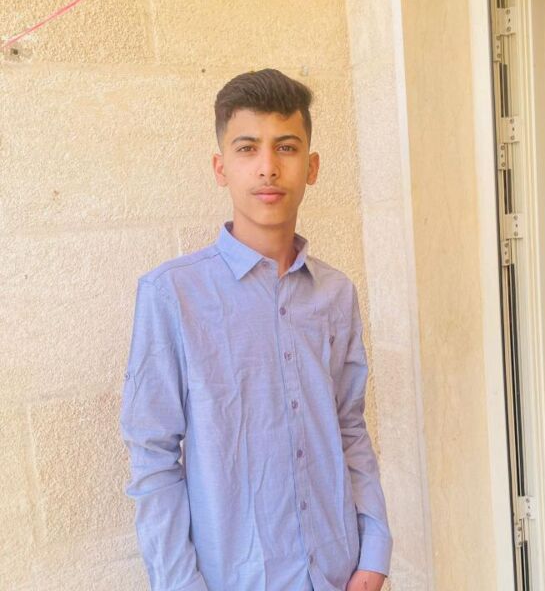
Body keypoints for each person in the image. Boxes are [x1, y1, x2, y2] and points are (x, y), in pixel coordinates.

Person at [119, 68, 393, 591]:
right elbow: (153, 459)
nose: (268, 167)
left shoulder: (336, 293)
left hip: (340, 572)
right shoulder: (172, 295)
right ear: (221, 167)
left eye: (286, 147)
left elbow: (349, 427)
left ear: (312, 166)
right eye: (247, 149)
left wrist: (374, 552)